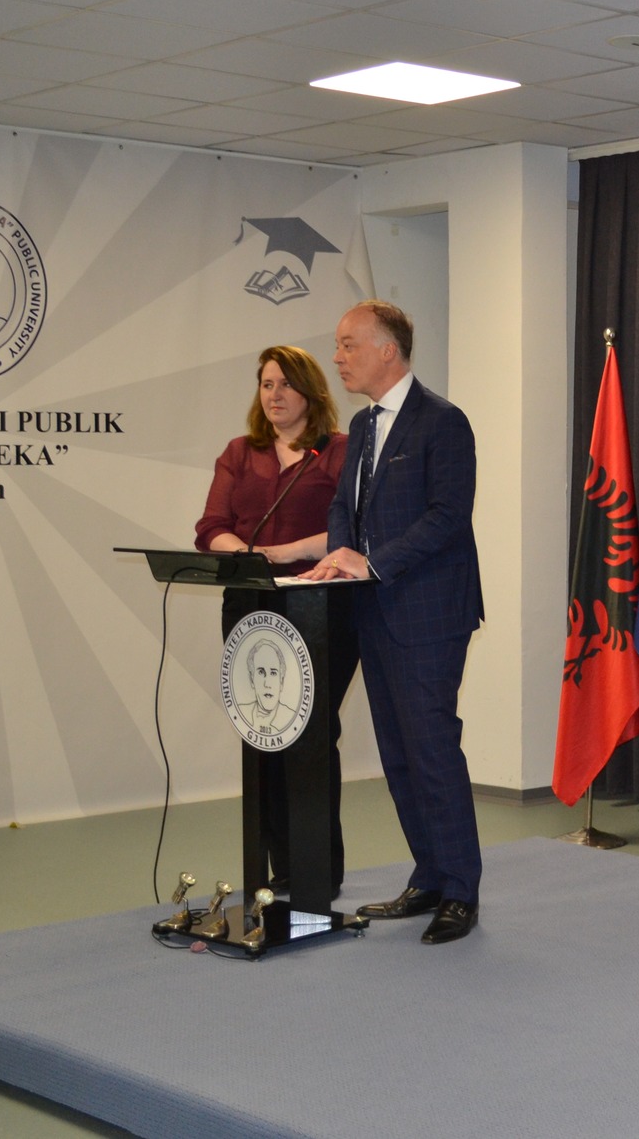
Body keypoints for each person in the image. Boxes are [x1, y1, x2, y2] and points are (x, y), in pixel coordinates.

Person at [306, 301, 485, 946]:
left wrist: (372, 562)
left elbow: (447, 516)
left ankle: (460, 891)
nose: (337, 357)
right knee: (399, 756)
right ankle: (429, 876)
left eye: (348, 344)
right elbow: (342, 507)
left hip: (429, 614)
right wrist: (339, 553)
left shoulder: (443, 421)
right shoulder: (361, 425)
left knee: (431, 749)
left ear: (388, 349)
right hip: (372, 613)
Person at [195, 344, 353, 894]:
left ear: (311, 391)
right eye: (267, 384)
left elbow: (353, 529)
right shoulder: (240, 452)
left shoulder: (338, 452)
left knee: (310, 732)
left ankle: (315, 869)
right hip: (250, 604)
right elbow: (210, 526)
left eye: (286, 384)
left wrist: (285, 553)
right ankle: (274, 868)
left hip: (320, 606)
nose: (275, 394)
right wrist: (245, 553)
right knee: (262, 731)